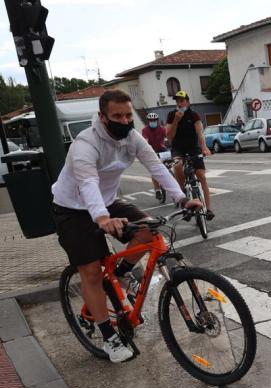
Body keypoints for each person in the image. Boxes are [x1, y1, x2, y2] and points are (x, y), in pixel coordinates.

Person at [51, 90, 201, 363]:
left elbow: (156, 167)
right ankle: (109, 337)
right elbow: (87, 183)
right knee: (92, 271)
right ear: (102, 117)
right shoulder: (85, 144)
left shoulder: (132, 138)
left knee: (148, 229)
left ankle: (120, 274)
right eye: (116, 116)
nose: (124, 120)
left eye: (127, 115)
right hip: (73, 209)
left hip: (107, 202)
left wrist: (181, 198)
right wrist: (102, 219)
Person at [166, 90, 214, 219]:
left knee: (201, 176)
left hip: (193, 147)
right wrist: (176, 120)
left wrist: (204, 148)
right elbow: (169, 136)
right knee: (177, 165)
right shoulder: (172, 115)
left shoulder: (194, 115)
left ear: (187, 101)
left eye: (182, 100)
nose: (180, 103)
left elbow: (200, 134)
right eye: (177, 101)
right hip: (177, 148)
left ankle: (208, 209)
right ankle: (183, 198)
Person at [142, 112, 167, 200]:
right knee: (155, 171)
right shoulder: (145, 130)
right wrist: (146, 145)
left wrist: (167, 144)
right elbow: (145, 140)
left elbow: (167, 138)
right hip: (152, 152)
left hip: (162, 150)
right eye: (151, 120)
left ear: (157, 120)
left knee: (168, 166)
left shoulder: (162, 129)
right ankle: (157, 190)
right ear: (148, 121)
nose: (153, 121)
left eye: (154, 120)